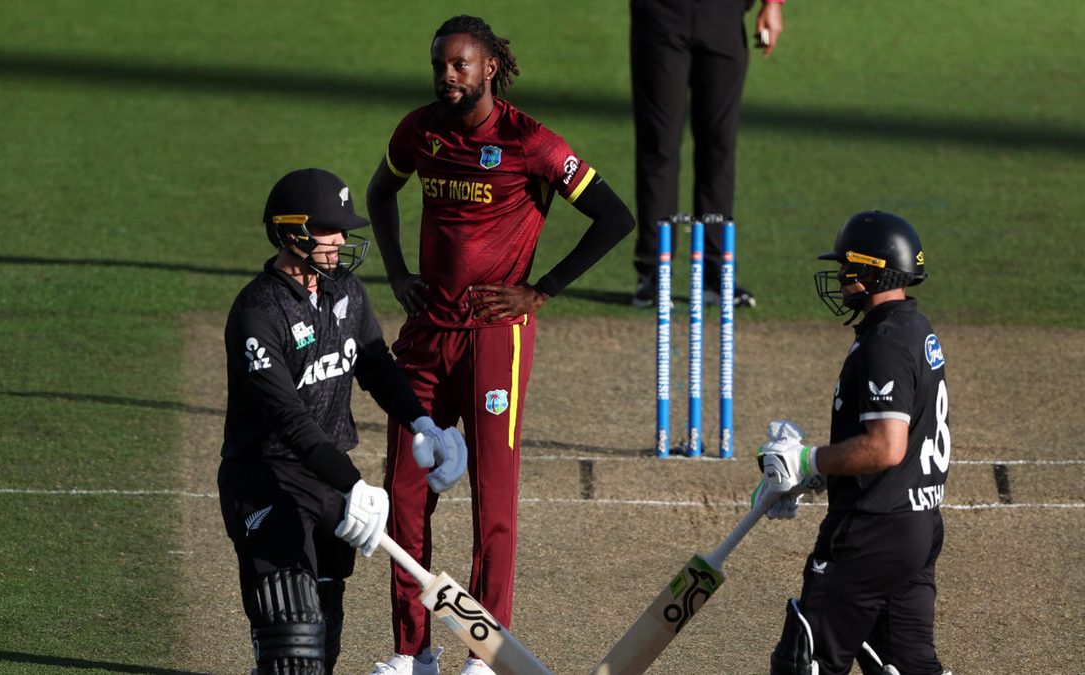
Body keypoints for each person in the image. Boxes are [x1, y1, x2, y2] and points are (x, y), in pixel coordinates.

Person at [365, 15, 635, 675]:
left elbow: (615, 216)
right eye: (440, 66)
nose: (447, 78)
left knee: (494, 500)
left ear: (490, 68)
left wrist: (538, 291)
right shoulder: (419, 129)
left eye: (460, 65)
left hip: (495, 341)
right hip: (426, 336)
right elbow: (380, 190)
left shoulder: (529, 141)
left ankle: (485, 656)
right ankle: (410, 653)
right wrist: (399, 274)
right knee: (403, 490)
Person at [217, 168, 468, 675]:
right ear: (291, 233)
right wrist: (354, 484)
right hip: (265, 480)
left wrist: (424, 424)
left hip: (328, 476)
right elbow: (287, 418)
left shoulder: (345, 291)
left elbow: (375, 364)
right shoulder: (257, 313)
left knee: (324, 631)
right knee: (295, 644)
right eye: (329, 231)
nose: (341, 241)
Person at [750, 211, 951, 675]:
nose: (840, 276)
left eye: (847, 267)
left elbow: (886, 447)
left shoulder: (886, 343)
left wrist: (805, 460)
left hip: (870, 531)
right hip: (917, 527)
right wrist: (820, 472)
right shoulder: (916, 330)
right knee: (907, 666)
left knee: (807, 662)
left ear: (873, 270)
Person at [629, 0, 786, 308]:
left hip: (724, 16)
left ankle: (715, 273)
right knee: (659, 146)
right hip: (661, 16)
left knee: (719, 146)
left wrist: (772, 4)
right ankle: (654, 272)